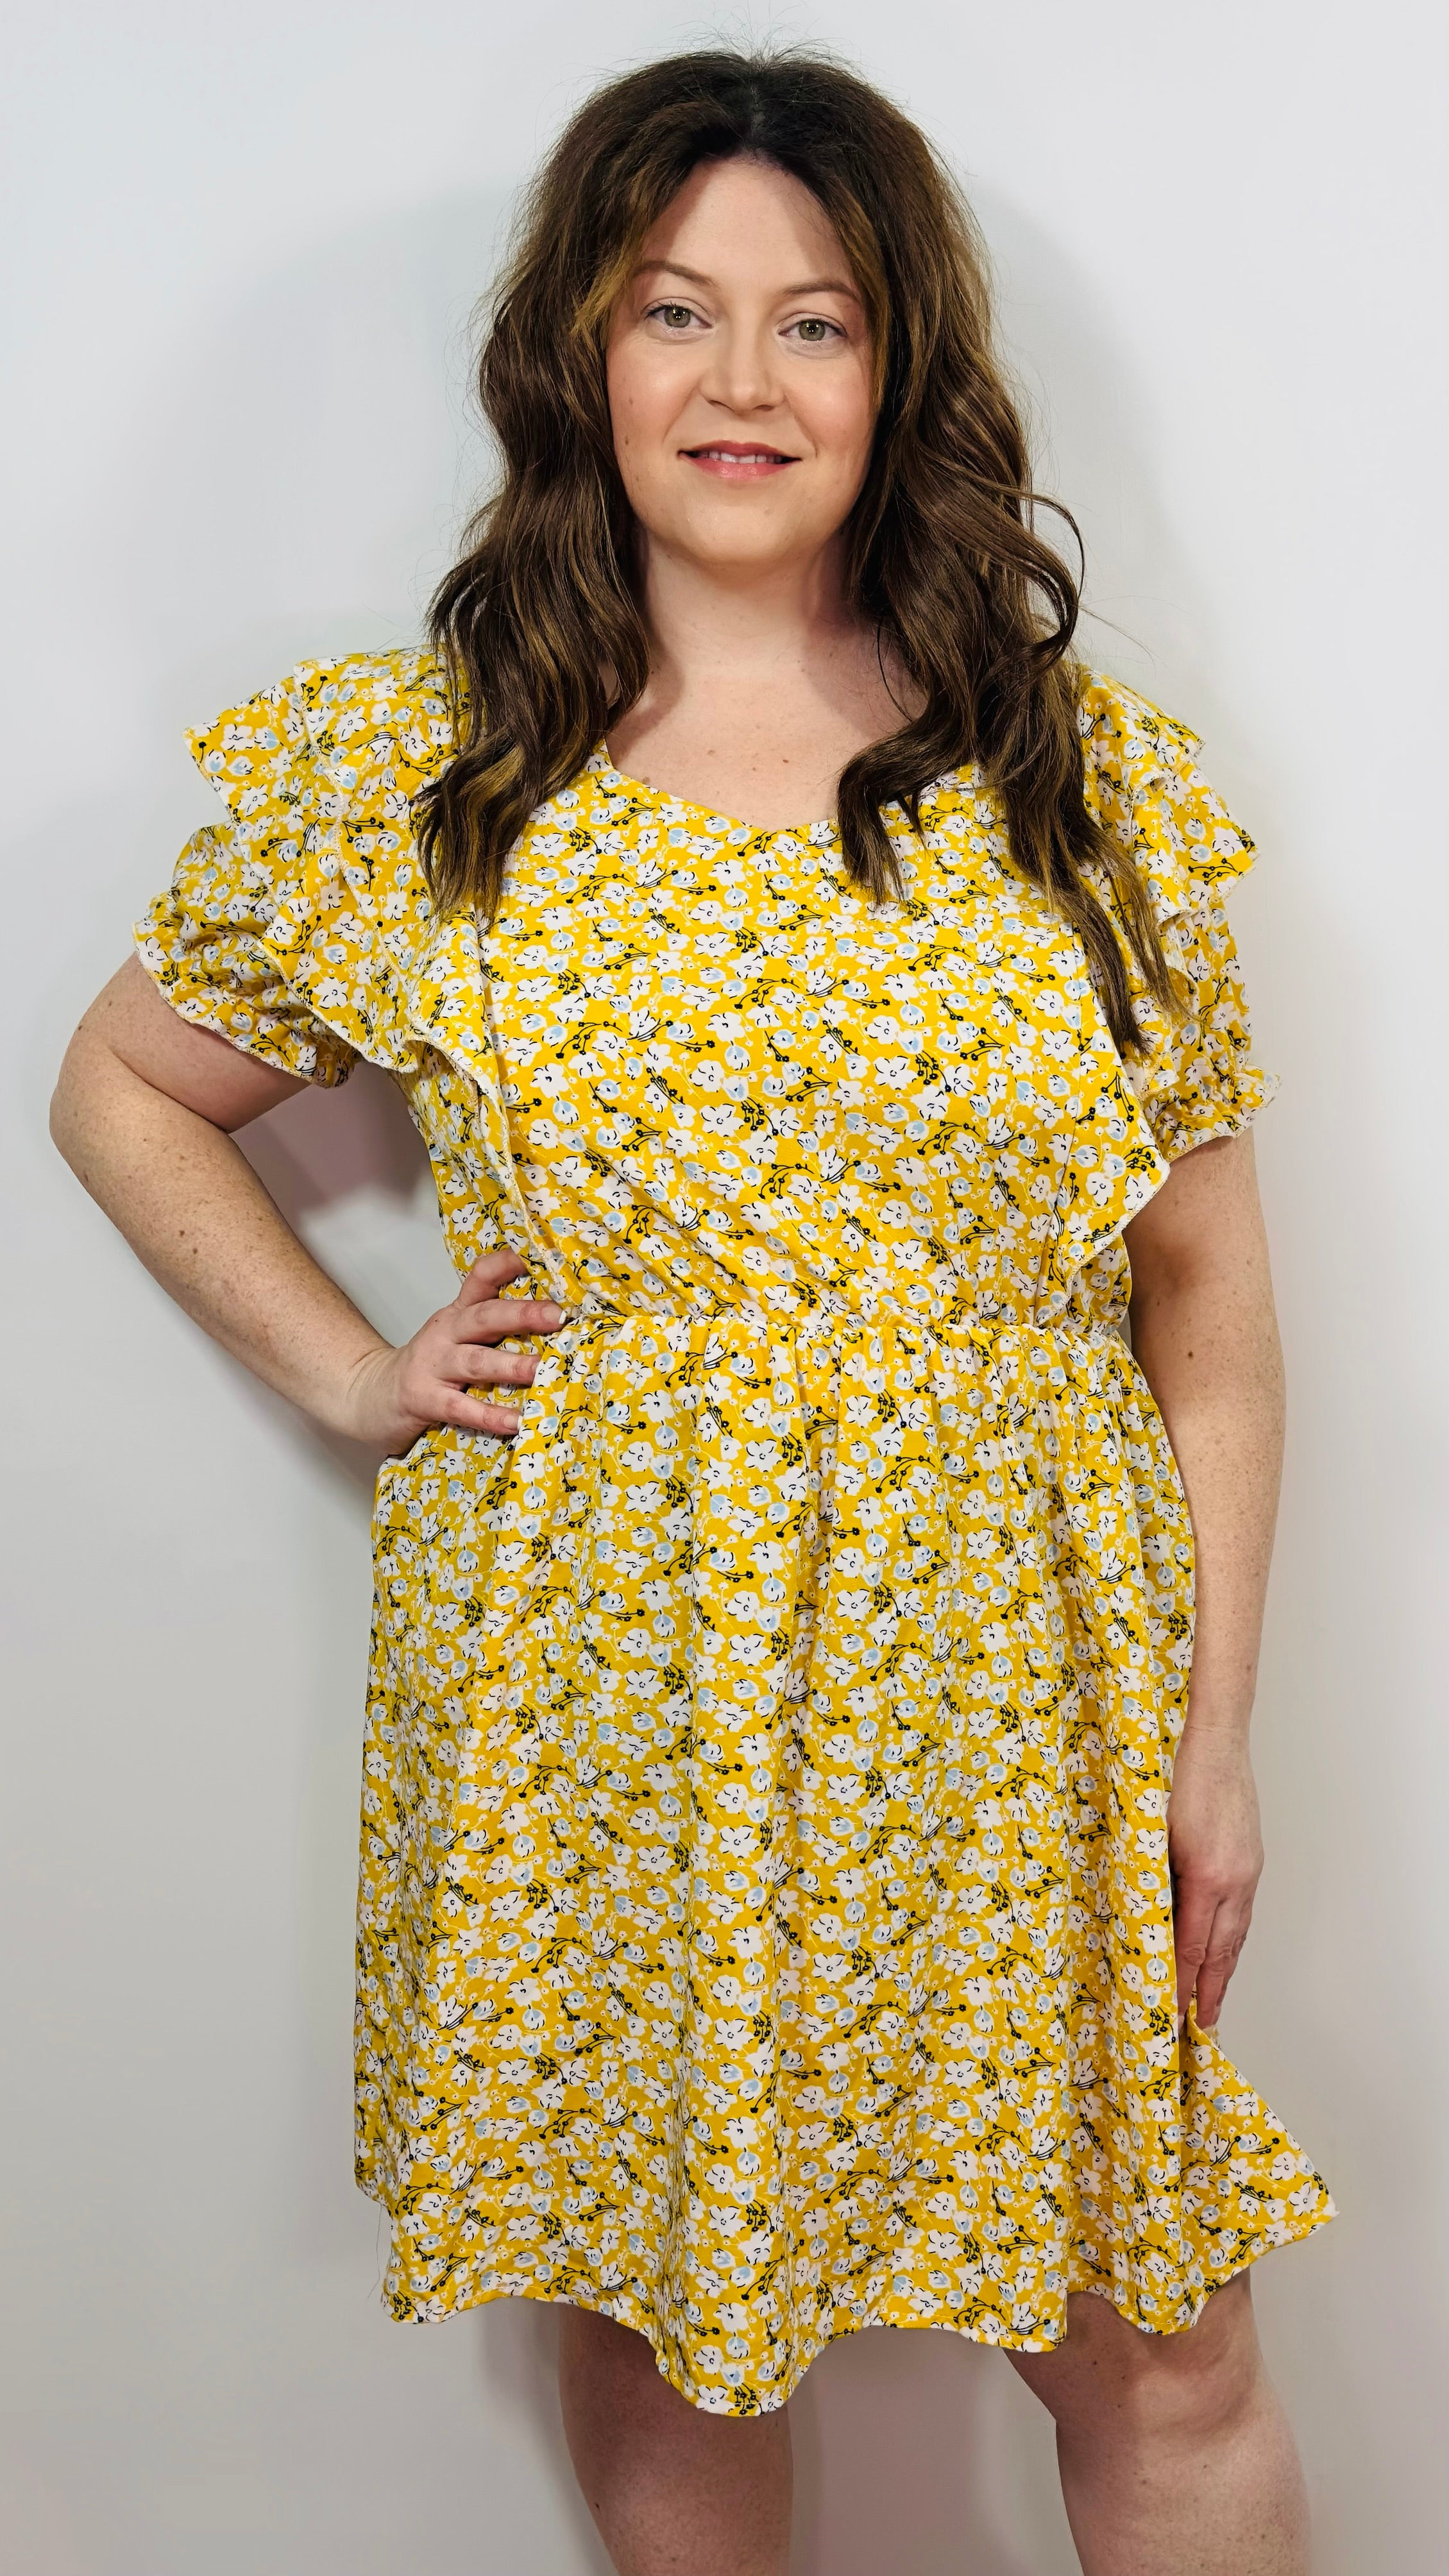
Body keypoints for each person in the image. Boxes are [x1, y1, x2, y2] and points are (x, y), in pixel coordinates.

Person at [50, 46, 1333, 2576]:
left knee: (1156, 2341)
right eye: (676, 315)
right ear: (577, 356)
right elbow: (124, 1083)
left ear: (903, 376)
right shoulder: (426, 772)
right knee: (667, 2322)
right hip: (598, 1663)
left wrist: (1211, 1740)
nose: (741, 386)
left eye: (814, 325)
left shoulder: (1079, 785)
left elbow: (1208, 1303)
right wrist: (352, 1365)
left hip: (1017, 1656)